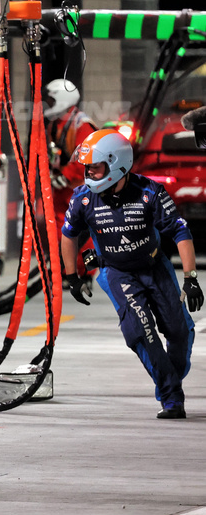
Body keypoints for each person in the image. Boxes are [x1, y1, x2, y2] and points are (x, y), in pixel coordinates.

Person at [62, 128, 201, 419]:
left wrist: (190, 278)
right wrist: (72, 276)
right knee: (140, 332)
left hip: (155, 267)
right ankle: (171, 398)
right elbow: (69, 234)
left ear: (117, 163)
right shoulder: (83, 199)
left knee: (179, 331)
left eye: (95, 168)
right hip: (116, 272)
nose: (89, 174)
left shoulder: (150, 193)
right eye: (86, 168)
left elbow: (179, 230)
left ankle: (169, 380)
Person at [44, 78, 97, 241]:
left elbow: (87, 157)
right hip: (61, 186)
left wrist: (65, 175)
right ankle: (63, 264)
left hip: (79, 188)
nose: (48, 104)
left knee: (81, 232)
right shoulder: (54, 124)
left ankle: (79, 266)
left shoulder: (82, 124)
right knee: (60, 229)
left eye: (52, 100)